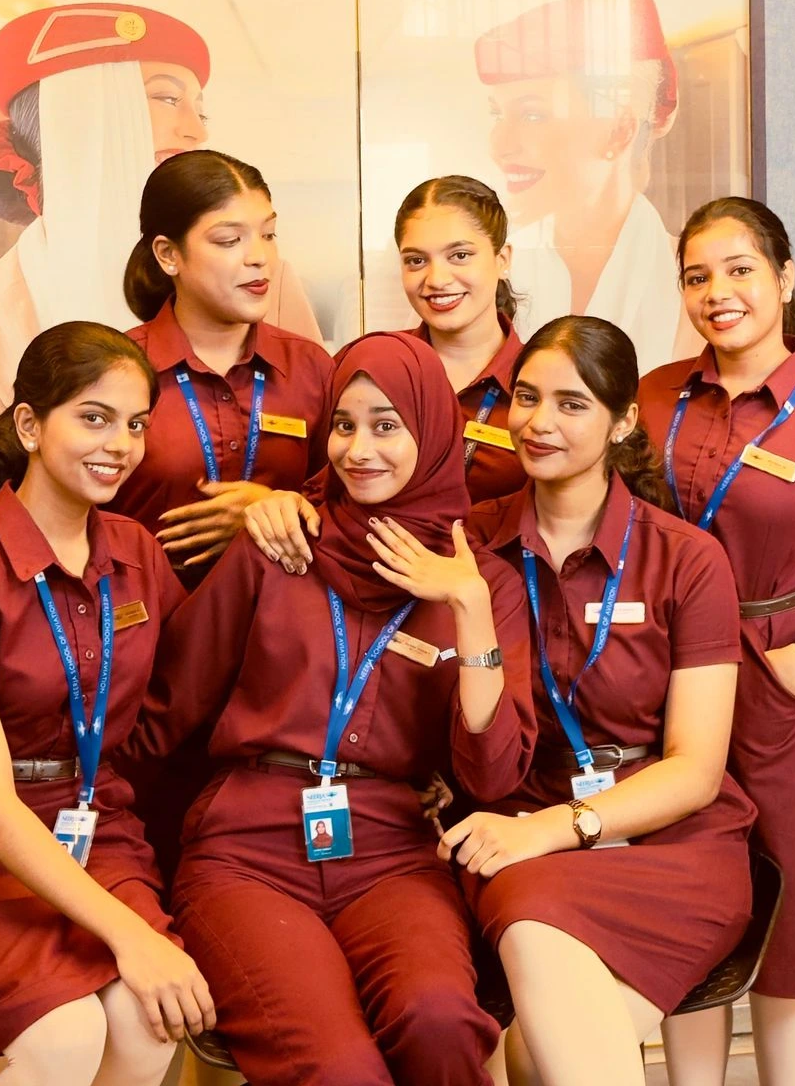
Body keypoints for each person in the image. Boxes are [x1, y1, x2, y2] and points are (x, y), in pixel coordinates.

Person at [127, 332, 536, 1086]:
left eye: (387, 425)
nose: (359, 449)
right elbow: (165, 708)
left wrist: (469, 608)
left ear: (433, 430)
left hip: (390, 851)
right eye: (344, 425)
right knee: (339, 1068)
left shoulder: (483, 583)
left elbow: (492, 771)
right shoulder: (281, 543)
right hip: (248, 850)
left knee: (442, 1020)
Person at [423, 314, 754, 1086]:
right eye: (527, 398)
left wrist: (561, 827)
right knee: (533, 957)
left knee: (535, 1047)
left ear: (624, 421)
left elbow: (697, 771)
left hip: (673, 843)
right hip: (519, 831)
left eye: (571, 404)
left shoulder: (688, 559)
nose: (539, 423)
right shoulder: (468, 545)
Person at [638, 197, 795, 1086]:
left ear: (784, 277)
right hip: (663, 681)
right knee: (687, 910)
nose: (717, 292)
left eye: (739, 269)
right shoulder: (653, 394)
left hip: (789, 690)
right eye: (697, 276)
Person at [0, 321, 215, 1083]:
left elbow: (210, 687)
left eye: (137, 423)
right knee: (64, 1036)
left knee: (150, 1025)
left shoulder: (135, 550)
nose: (121, 443)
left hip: (98, 830)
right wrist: (133, 937)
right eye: (93, 416)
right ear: (28, 425)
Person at [0, 1, 321, 439]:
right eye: (167, 98)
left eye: (200, 110)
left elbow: (319, 448)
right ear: (82, 117)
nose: (197, 131)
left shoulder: (267, 280)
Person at [246, 175, 526, 574]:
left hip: (504, 595)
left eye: (460, 256)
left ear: (503, 259)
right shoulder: (368, 367)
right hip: (370, 595)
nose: (436, 279)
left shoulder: (536, 384)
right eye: (416, 260)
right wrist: (284, 504)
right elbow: (325, 488)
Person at [112, 149, 333, 581]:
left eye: (268, 235)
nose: (259, 258)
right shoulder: (114, 371)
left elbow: (354, 505)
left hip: (282, 625)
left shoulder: (310, 367)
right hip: (142, 626)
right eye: (229, 240)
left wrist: (272, 507)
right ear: (168, 255)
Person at [474, 0, 702, 374]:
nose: (499, 146)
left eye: (532, 115)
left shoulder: (695, 283)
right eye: (498, 114)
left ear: (618, 130)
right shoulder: (496, 275)